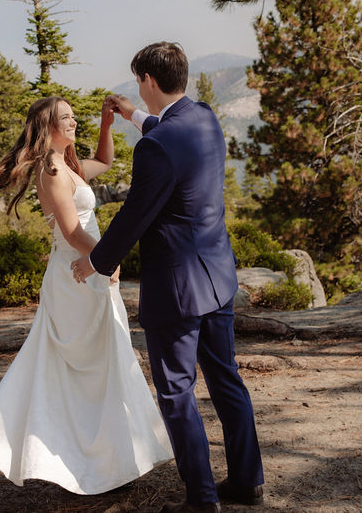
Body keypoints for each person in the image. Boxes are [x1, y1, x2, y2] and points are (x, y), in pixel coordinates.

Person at [72, 42, 264, 513]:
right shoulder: (204, 117)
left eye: (138, 81)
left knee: (176, 393)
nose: (137, 87)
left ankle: (201, 501)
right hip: (218, 277)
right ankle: (247, 480)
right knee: (226, 379)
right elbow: (167, 133)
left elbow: (136, 214)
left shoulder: (156, 148)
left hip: (178, 289)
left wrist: (96, 260)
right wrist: (133, 115)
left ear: (150, 81)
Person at [0, 96, 172, 495]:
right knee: (81, 367)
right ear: (47, 127)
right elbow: (73, 233)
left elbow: (104, 163)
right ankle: (80, 458)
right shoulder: (53, 170)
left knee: (100, 365)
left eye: (74, 117)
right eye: (65, 119)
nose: (73, 123)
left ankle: (105, 458)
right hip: (76, 274)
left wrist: (107, 124)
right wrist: (108, 258)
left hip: (90, 269)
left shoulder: (69, 165)